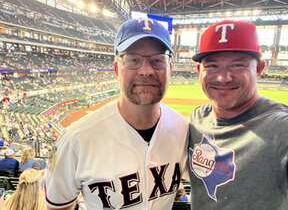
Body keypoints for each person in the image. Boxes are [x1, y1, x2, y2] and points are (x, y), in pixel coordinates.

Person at [45, 18, 188, 210]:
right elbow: (58, 206)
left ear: (170, 68)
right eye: (133, 60)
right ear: (116, 69)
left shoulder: (183, 129)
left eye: (157, 61)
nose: (146, 71)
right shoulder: (75, 139)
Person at [188, 19, 288, 210]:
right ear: (199, 70)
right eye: (212, 66)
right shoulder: (197, 119)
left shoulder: (286, 128)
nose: (223, 77)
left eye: (238, 65)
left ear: (259, 68)